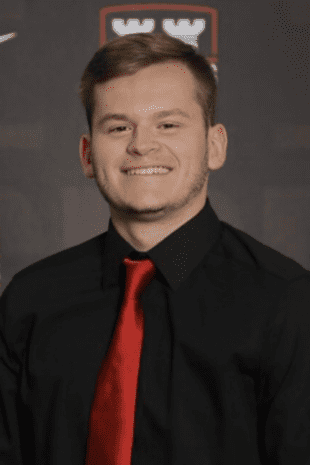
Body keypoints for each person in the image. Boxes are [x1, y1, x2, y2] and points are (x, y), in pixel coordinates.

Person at [0, 32, 310, 465]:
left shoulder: (288, 302)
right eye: (119, 126)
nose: (141, 144)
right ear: (88, 155)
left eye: (168, 124)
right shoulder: (29, 302)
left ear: (215, 146)